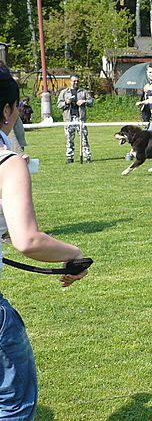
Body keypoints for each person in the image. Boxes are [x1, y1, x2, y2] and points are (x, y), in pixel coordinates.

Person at [0, 71, 88, 419]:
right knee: (13, 404)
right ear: (7, 110)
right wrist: (75, 255)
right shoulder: (8, 163)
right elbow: (29, 241)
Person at [57, 74, 94, 163]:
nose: (76, 82)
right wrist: (66, 102)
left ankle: (87, 157)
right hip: (69, 119)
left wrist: (84, 101)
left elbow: (91, 102)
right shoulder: (64, 92)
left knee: (84, 138)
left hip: (80, 119)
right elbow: (59, 104)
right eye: (74, 81)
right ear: (70, 81)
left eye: (77, 81)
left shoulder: (83, 91)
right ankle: (70, 157)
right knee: (69, 138)